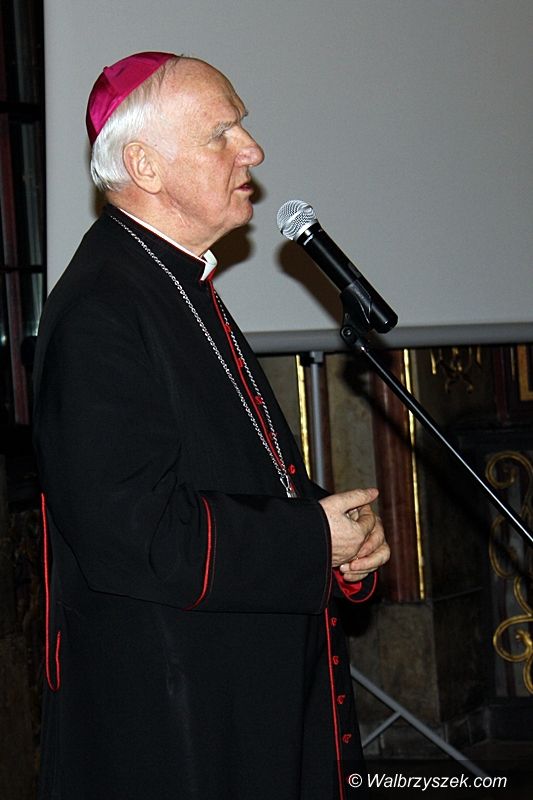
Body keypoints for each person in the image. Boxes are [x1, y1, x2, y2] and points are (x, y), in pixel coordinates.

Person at [33, 52, 390, 800]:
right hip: (180, 714)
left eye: (242, 129)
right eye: (220, 133)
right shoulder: (103, 307)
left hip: (232, 685)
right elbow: (133, 530)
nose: (251, 150)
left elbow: (231, 468)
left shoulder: (173, 281)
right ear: (145, 166)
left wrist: (338, 540)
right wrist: (311, 538)